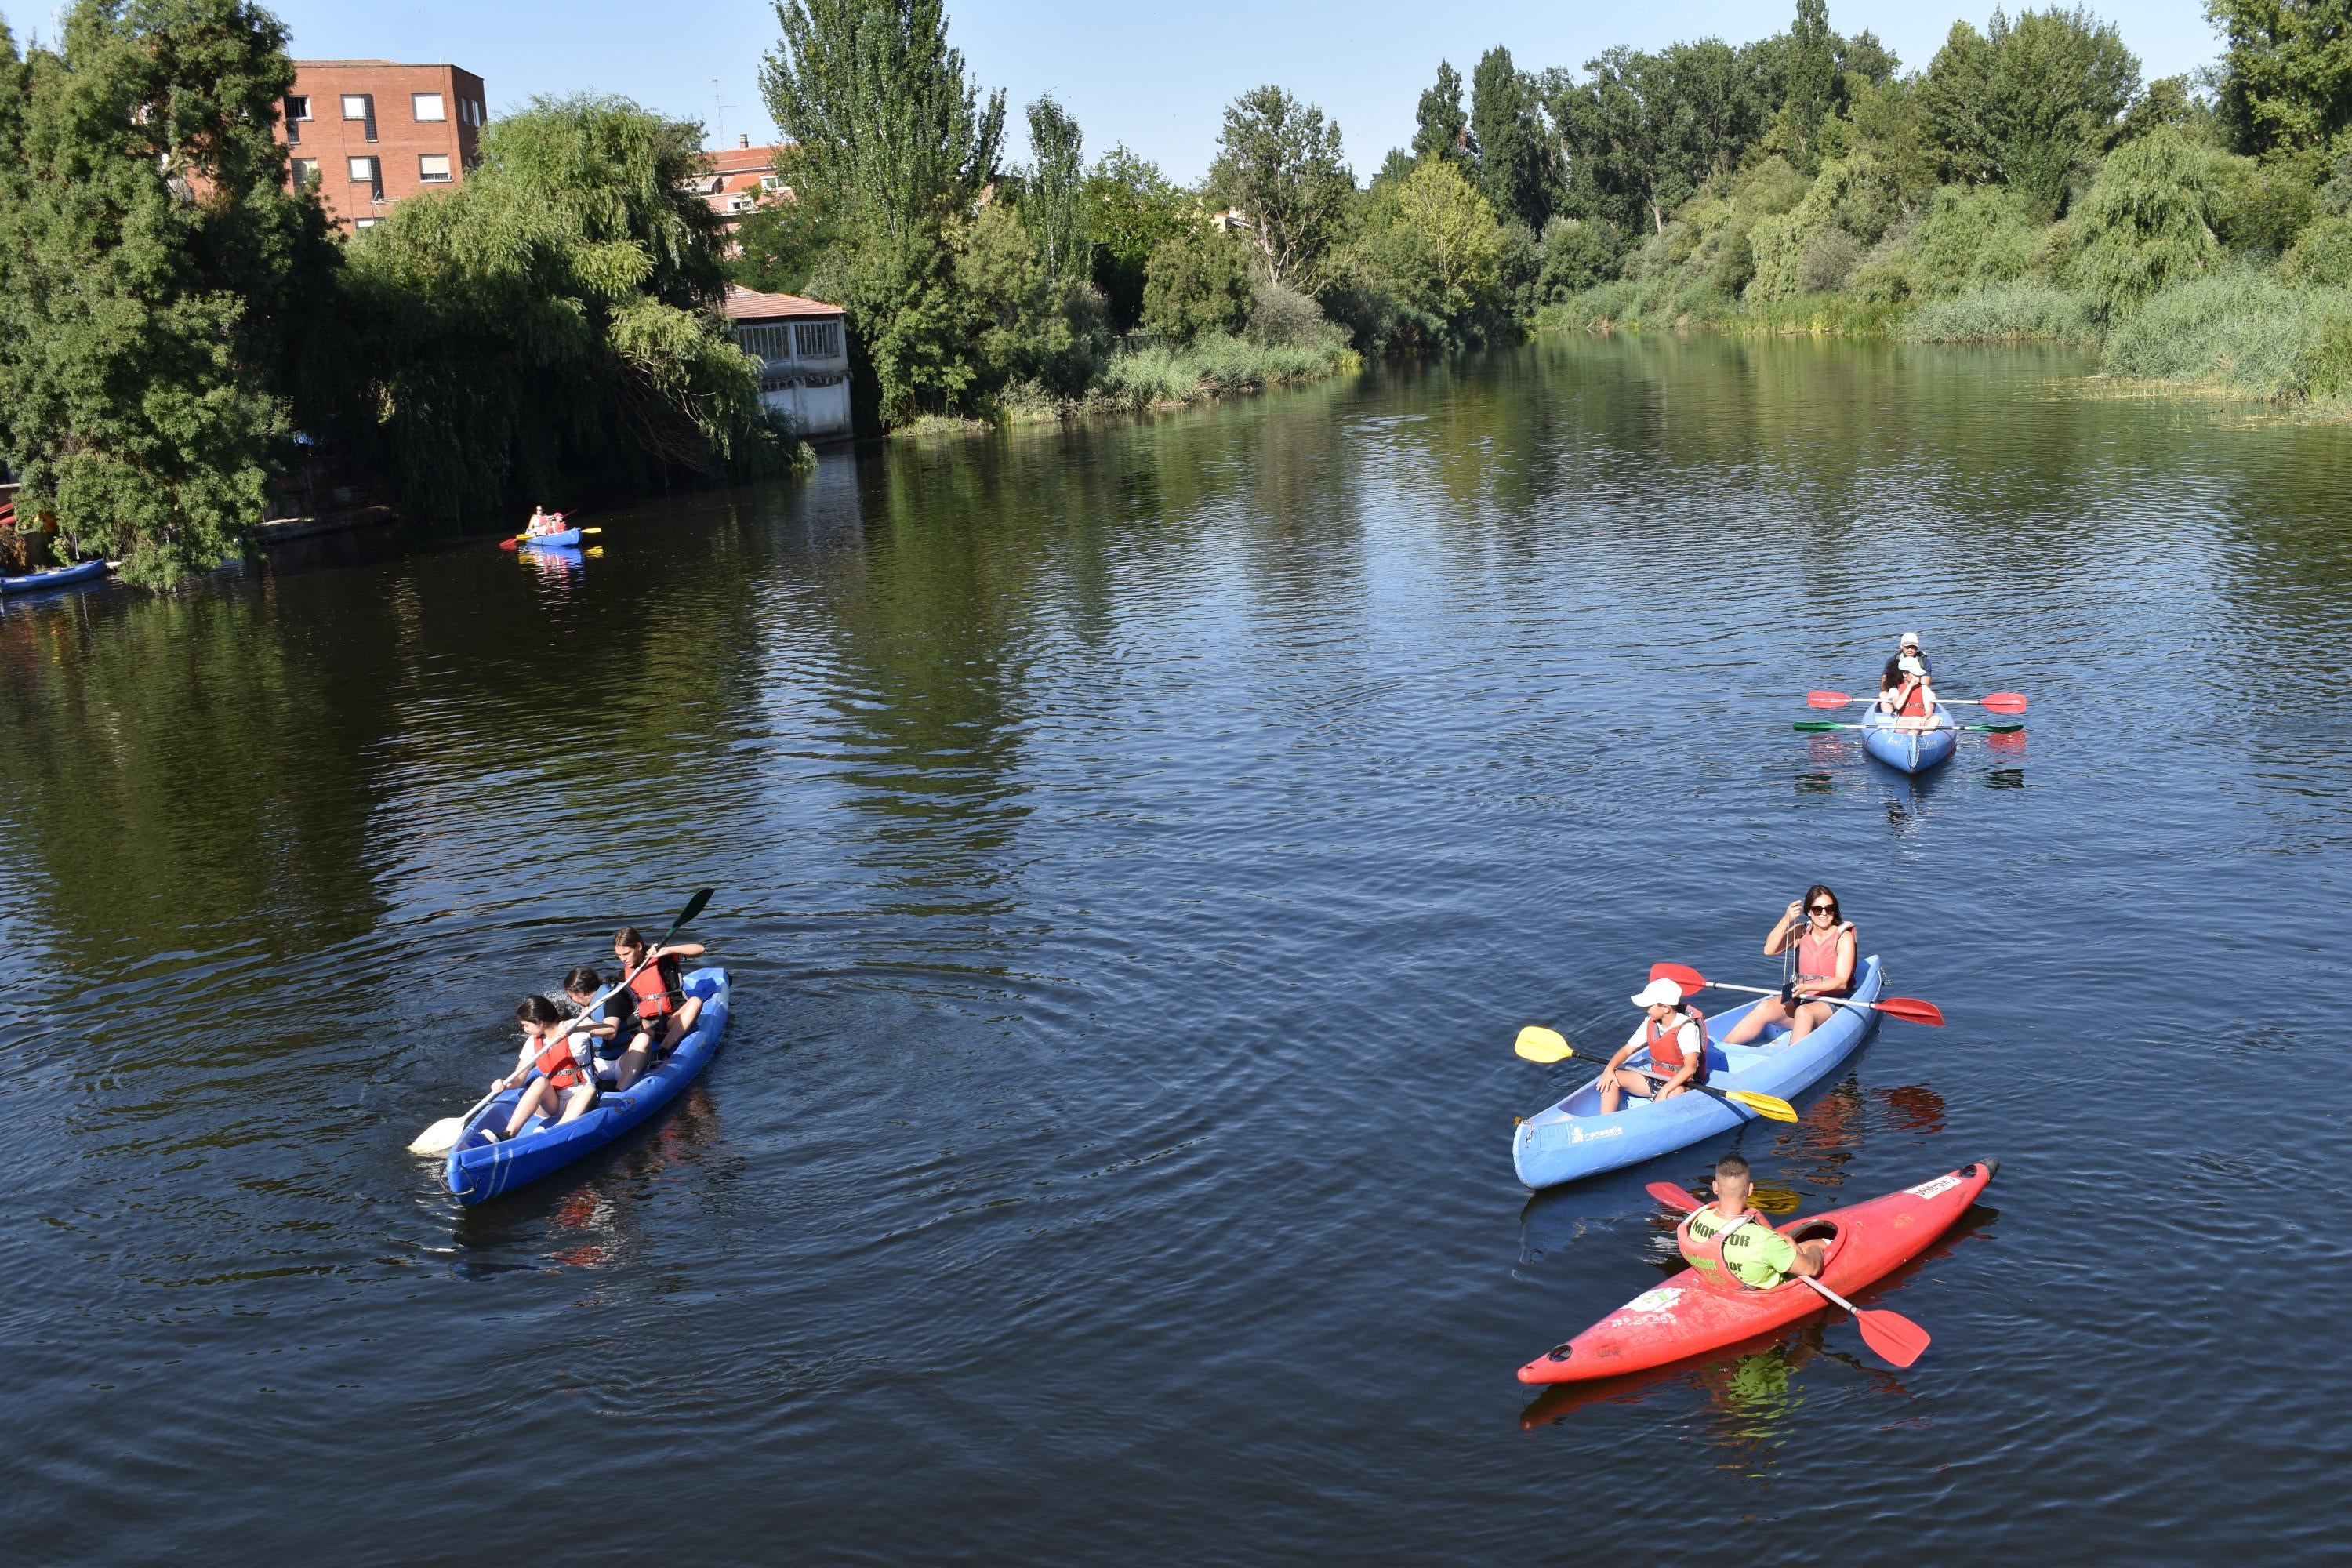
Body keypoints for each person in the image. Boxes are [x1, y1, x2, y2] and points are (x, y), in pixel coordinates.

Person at [1722, 884, 1857, 1046]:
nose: (1823, 913)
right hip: (1802, 998)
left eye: (1829, 908)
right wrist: (1786, 920)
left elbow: (1841, 981)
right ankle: (1723, 1048)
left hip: (1831, 1002)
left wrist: (1806, 988)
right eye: (1817, 909)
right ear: (1808, 911)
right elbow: (1769, 950)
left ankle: (1789, 1061)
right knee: (1764, 1007)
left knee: (1804, 1012)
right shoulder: (1801, 931)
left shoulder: (1843, 937)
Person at [1680, 1152, 1827, 1290]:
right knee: (1821, 1242)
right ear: (1750, 1189)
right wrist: (1815, 1248)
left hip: (1722, 1280)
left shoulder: (1697, 1221)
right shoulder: (1763, 1241)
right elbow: (1811, 1268)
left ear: (1715, 1187)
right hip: (1764, 1291)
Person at [481, 996, 598, 1142]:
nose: (525, 1030)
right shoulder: (533, 1042)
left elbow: (610, 1031)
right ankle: (508, 1134)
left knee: (589, 1090)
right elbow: (518, 1080)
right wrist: (503, 1084)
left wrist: (578, 1028)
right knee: (540, 1081)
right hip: (553, 1101)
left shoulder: (573, 1027)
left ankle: (556, 1132)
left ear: (540, 1022)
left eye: (526, 1025)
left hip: (578, 1097)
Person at [1595, 978, 1710, 1112]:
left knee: (1676, 1092)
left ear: (1665, 1008)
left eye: (1649, 1006)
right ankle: (1606, 1120)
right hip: (1658, 1079)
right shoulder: (1650, 1023)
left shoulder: (1686, 1028)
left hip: (1684, 1084)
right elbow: (1627, 1050)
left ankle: (1656, 1117)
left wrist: (1664, 1092)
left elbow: (1690, 1068)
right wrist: (1609, 1069)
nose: (1646, 1009)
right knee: (1612, 1077)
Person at [611, 924, 707, 1069]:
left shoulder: (663, 957)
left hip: (674, 1018)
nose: (622, 959)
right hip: (647, 1025)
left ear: (638, 946)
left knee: (695, 1002)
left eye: (626, 954)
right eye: (619, 955)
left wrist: (668, 950)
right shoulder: (624, 975)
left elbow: (700, 949)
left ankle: (663, 1050)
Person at [559, 965, 630, 1089]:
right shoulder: (589, 1007)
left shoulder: (613, 998)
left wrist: (581, 1026)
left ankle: (620, 1090)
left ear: (581, 993)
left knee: (643, 1039)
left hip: (623, 1062)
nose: (573, 1001)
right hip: (599, 1064)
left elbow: (610, 1031)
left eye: (572, 997)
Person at [1876, 654, 1942, 731]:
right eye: (1915, 674)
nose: (1918, 677)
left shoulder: (1924, 689)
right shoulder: (1895, 689)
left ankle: (1925, 737)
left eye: (1919, 675)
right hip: (1902, 722)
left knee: (1935, 719)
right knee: (1915, 724)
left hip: (1920, 720)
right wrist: (1910, 686)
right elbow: (1898, 705)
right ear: (1905, 674)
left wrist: (1925, 717)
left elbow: (1928, 710)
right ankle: (1912, 738)